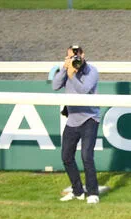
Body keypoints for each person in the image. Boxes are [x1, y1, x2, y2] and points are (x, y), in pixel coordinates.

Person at [52, 44, 101, 204]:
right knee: (66, 157)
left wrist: (72, 75)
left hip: (89, 118)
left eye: (77, 56)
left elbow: (84, 91)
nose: (75, 59)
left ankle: (93, 193)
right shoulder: (67, 69)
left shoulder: (92, 71)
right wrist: (64, 69)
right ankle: (78, 191)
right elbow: (55, 86)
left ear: (83, 55)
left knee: (86, 156)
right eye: (71, 56)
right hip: (72, 119)